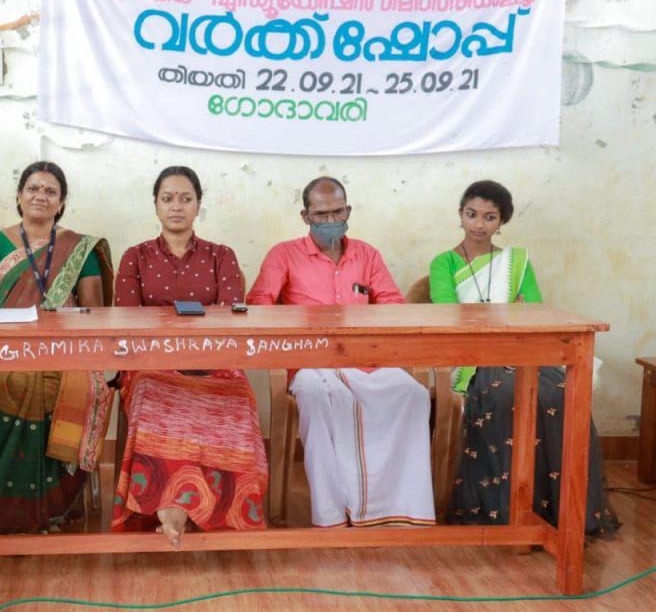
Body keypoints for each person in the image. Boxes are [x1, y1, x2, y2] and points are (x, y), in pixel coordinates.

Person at [428, 179, 619, 535]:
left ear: (502, 221)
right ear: (460, 215)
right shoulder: (444, 263)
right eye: (471, 214)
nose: (479, 224)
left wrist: (504, 318)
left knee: (562, 392)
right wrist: (504, 313)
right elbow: (450, 314)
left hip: (522, 350)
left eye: (489, 217)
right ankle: (504, 511)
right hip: (473, 355)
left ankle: (560, 510)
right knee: (505, 395)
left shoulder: (516, 262)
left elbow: (532, 311)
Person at [246, 177, 435, 528]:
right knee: (317, 396)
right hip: (311, 364)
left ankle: (396, 508)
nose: (331, 220)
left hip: (366, 360)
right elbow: (258, 306)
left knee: (414, 394)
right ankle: (333, 515)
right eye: (322, 214)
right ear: (305, 216)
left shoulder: (367, 254)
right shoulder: (283, 254)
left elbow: (393, 306)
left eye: (338, 212)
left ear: (348, 211)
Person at [111, 166, 267, 547]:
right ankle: (172, 505)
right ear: (156, 205)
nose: (176, 206)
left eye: (185, 199)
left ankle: (215, 511)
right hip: (153, 363)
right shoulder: (135, 257)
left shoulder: (221, 255)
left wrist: (200, 351)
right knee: (152, 392)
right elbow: (128, 321)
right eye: (167, 199)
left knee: (239, 395)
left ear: (198, 205)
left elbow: (230, 317)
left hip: (214, 361)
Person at [0, 161, 114, 534]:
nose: (40, 196)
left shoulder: (80, 249)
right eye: (33, 188)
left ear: (61, 203)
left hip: (64, 352)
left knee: (64, 387)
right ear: (19, 196)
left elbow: (95, 314)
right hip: (5, 349)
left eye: (50, 191)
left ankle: (47, 505)